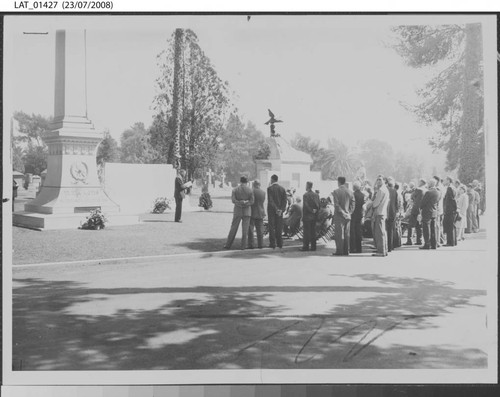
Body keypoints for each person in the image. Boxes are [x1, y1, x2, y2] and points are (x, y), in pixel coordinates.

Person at [224, 176, 254, 250]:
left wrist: (240, 202)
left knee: (233, 228)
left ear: (240, 181)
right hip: (247, 211)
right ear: (247, 182)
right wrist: (245, 203)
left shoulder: (235, 189)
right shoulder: (250, 190)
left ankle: (228, 244)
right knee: (245, 230)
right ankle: (243, 246)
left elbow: (233, 200)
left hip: (238, 210)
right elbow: (252, 201)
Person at [333, 176, 355, 256]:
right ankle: (346, 250)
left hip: (339, 216)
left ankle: (339, 251)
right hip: (348, 216)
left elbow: (336, 205)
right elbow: (353, 203)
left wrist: (343, 213)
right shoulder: (350, 191)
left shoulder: (336, 191)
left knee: (339, 234)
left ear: (338, 182)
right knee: (347, 234)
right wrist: (349, 212)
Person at [267, 174, 287, 250]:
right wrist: (281, 210)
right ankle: (279, 243)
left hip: (272, 210)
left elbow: (271, 200)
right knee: (279, 227)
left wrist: (276, 209)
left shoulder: (270, 188)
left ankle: (272, 243)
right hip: (280, 211)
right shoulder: (282, 189)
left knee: (271, 227)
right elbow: (284, 201)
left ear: (272, 179)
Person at [371, 175, 390, 257]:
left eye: (380, 179)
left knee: (379, 232)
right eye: (377, 179)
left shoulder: (381, 190)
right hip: (383, 212)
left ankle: (381, 251)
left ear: (384, 181)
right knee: (383, 232)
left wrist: (371, 204)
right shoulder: (385, 189)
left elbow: (375, 203)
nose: (378, 181)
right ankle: (384, 250)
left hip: (379, 212)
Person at [419, 178, 440, 249]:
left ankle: (427, 244)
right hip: (434, 210)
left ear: (430, 184)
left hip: (427, 211)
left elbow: (422, 202)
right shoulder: (438, 192)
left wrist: (420, 207)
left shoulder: (428, 192)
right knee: (433, 228)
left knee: (426, 228)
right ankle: (434, 244)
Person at [405, 178, 426, 245]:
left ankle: (409, 240)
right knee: (419, 225)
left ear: (421, 182)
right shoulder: (426, 190)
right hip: (422, 209)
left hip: (415, 208)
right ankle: (419, 240)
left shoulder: (418, 189)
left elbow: (412, 196)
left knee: (410, 225)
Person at [301, 181, 320, 251]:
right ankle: (313, 247)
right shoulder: (316, 195)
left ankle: (305, 247)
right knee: (313, 232)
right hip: (314, 216)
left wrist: (311, 210)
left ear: (307, 186)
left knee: (306, 232)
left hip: (307, 216)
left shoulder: (305, 195)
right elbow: (318, 205)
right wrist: (315, 211)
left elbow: (306, 205)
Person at [248, 180, 266, 249]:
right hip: (260, 212)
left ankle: (251, 244)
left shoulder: (251, 191)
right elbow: (262, 202)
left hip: (252, 212)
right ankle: (260, 244)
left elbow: (251, 201)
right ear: (259, 184)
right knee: (260, 230)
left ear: (253, 184)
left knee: (251, 230)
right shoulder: (263, 192)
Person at [350, 180, 366, 254]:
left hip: (353, 215)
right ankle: (359, 249)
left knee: (352, 232)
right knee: (358, 232)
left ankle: (353, 248)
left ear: (354, 187)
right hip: (360, 215)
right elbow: (364, 206)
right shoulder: (363, 195)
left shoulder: (352, 195)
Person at [442, 176, 457, 246]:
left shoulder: (449, 188)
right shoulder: (453, 187)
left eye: (445, 180)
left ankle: (450, 242)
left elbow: (451, 200)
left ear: (448, 180)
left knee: (449, 226)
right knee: (452, 226)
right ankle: (453, 241)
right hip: (451, 210)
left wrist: (450, 209)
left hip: (449, 210)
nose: (444, 181)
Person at [386, 177, 399, 253]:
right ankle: (391, 246)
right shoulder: (395, 191)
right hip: (393, 212)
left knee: (386, 230)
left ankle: (387, 246)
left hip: (387, 212)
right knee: (391, 230)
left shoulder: (386, 191)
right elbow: (396, 203)